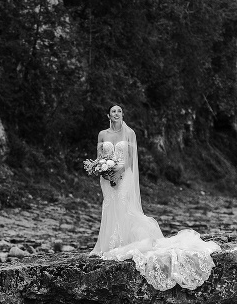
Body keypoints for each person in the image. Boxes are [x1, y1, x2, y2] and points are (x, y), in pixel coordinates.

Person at [89, 104, 221, 291]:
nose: (116, 113)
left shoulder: (130, 133)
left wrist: (117, 172)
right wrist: (102, 170)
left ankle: (125, 242)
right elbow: (99, 157)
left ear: (123, 114)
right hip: (106, 178)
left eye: (119, 111)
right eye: (113, 111)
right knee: (109, 206)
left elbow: (130, 159)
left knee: (124, 206)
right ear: (108, 115)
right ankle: (107, 244)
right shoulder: (102, 134)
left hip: (124, 176)